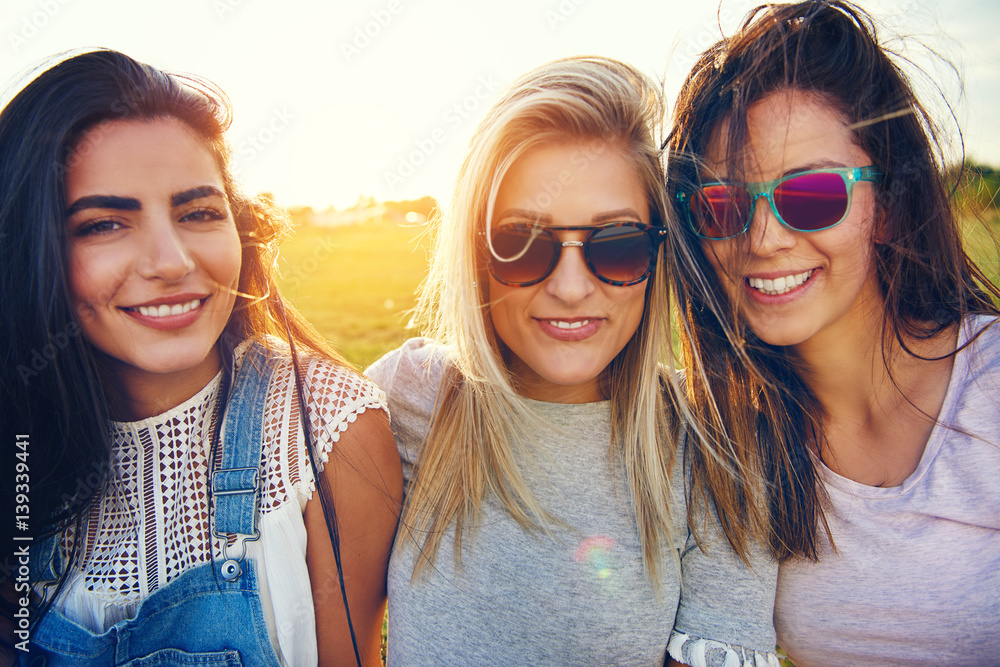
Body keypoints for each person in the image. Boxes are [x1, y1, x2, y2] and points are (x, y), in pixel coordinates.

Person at [366, 56, 779, 667]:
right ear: (474, 253)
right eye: (522, 242)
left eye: (616, 244)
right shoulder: (408, 398)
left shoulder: (715, 448)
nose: (569, 287)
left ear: (658, 254)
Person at [0, 49, 402, 666]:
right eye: (104, 224)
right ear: (31, 250)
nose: (172, 262)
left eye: (197, 213)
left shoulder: (323, 430)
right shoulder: (20, 433)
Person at [664, 1, 1000, 664]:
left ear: (887, 204)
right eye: (722, 205)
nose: (762, 239)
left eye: (811, 194)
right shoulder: (725, 437)